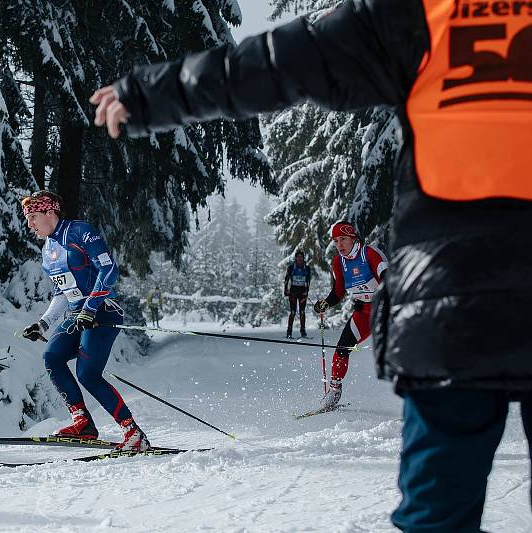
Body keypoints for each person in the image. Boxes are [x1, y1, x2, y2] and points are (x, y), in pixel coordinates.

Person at [89, 1, 532, 529]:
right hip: (441, 305)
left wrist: (149, 94)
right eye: (338, 237)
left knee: (438, 513)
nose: (342, 240)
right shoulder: (340, 258)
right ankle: (335, 390)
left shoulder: (424, 12)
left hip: (447, 306)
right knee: (346, 346)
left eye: (344, 235)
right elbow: (338, 282)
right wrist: (328, 297)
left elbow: (277, 61)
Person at [19, 191, 150, 451]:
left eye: (33, 217)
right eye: (28, 219)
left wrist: (90, 306)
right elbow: (62, 293)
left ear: (50, 212)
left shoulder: (80, 231)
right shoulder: (48, 250)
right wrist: (43, 324)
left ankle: (133, 434)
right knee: (52, 357)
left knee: (88, 374)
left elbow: (108, 269)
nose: (30, 224)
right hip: (78, 313)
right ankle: (83, 424)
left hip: (102, 310)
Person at [312, 222, 388, 409]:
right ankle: (334, 391)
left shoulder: (370, 254)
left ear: (354, 238)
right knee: (341, 349)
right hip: (363, 313)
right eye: (336, 241)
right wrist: (326, 303)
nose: (339, 245)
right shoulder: (339, 262)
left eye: (343, 239)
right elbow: (338, 291)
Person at [283, 251, 310, 339]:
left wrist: (306, 292)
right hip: (293, 292)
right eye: (298, 257)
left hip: (302, 292)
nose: (299, 259)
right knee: (293, 312)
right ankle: (289, 332)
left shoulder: (307, 268)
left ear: (303, 258)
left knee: (302, 312)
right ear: (295, 258)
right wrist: (285, 290)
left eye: (301, 257)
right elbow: (286, 280)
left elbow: (308, 281)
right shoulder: (291, 268)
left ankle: (303, 332)